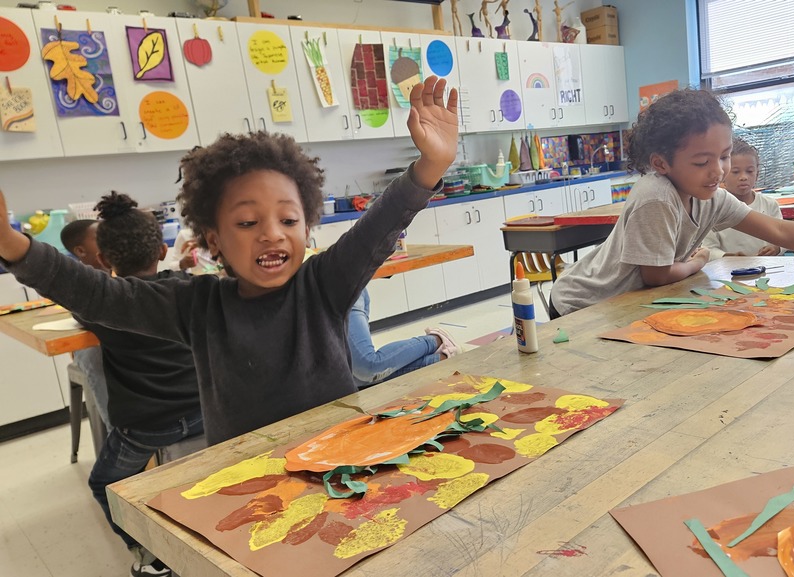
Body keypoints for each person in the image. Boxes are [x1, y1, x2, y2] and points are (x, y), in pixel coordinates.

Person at [0, 76, 459, 446]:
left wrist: (429, 167)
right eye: (246, 222)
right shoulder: (196, 306)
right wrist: (14, 245)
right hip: (245, 483)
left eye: (288, 218)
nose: (272, 233)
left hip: (339, 466)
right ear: (213, 241)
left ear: (307, 227)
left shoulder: (323, 284)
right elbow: (100, 295)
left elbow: (378, 227)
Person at [549, 89, 794, 316]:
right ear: (661, 163)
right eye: (701, 161)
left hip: (625, 302)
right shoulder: (655, 198)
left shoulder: (709, 196)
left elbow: (778, 229)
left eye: (723, 156)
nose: (717, 171)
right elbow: (656, 276)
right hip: (582, 305)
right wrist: (700, 260)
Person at [79, 192, 205, 577]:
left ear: (102, 259)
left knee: (104, 483)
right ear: (163, 247)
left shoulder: (101, 304)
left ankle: (151, 558)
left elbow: (82, 304)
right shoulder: (187, 288)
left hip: (148, 427)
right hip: (205, 411)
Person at [348, 288, 460, 389]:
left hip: (342, 289)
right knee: (357, 380)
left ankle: (435, 340)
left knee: (367, 368)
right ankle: (438, 359)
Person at [59, 219, 112, 431]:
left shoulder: (118, 269)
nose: (108, 241)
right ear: (81, 251)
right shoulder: (75, 279)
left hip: (123, 344)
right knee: (94, 355)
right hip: (95, 347)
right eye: (100, 238)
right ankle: (115, 430)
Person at [702, 138, 784, 259]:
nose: (743, 177)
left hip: (767, 270)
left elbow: (782, 238)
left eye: (749, 171)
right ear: (723, 174)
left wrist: (776, 248)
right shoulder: (712, 208)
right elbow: (707, 249)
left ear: (757, 174)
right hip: (728, 273)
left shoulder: (770, 204)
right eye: (735, 172)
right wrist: (727, 257)